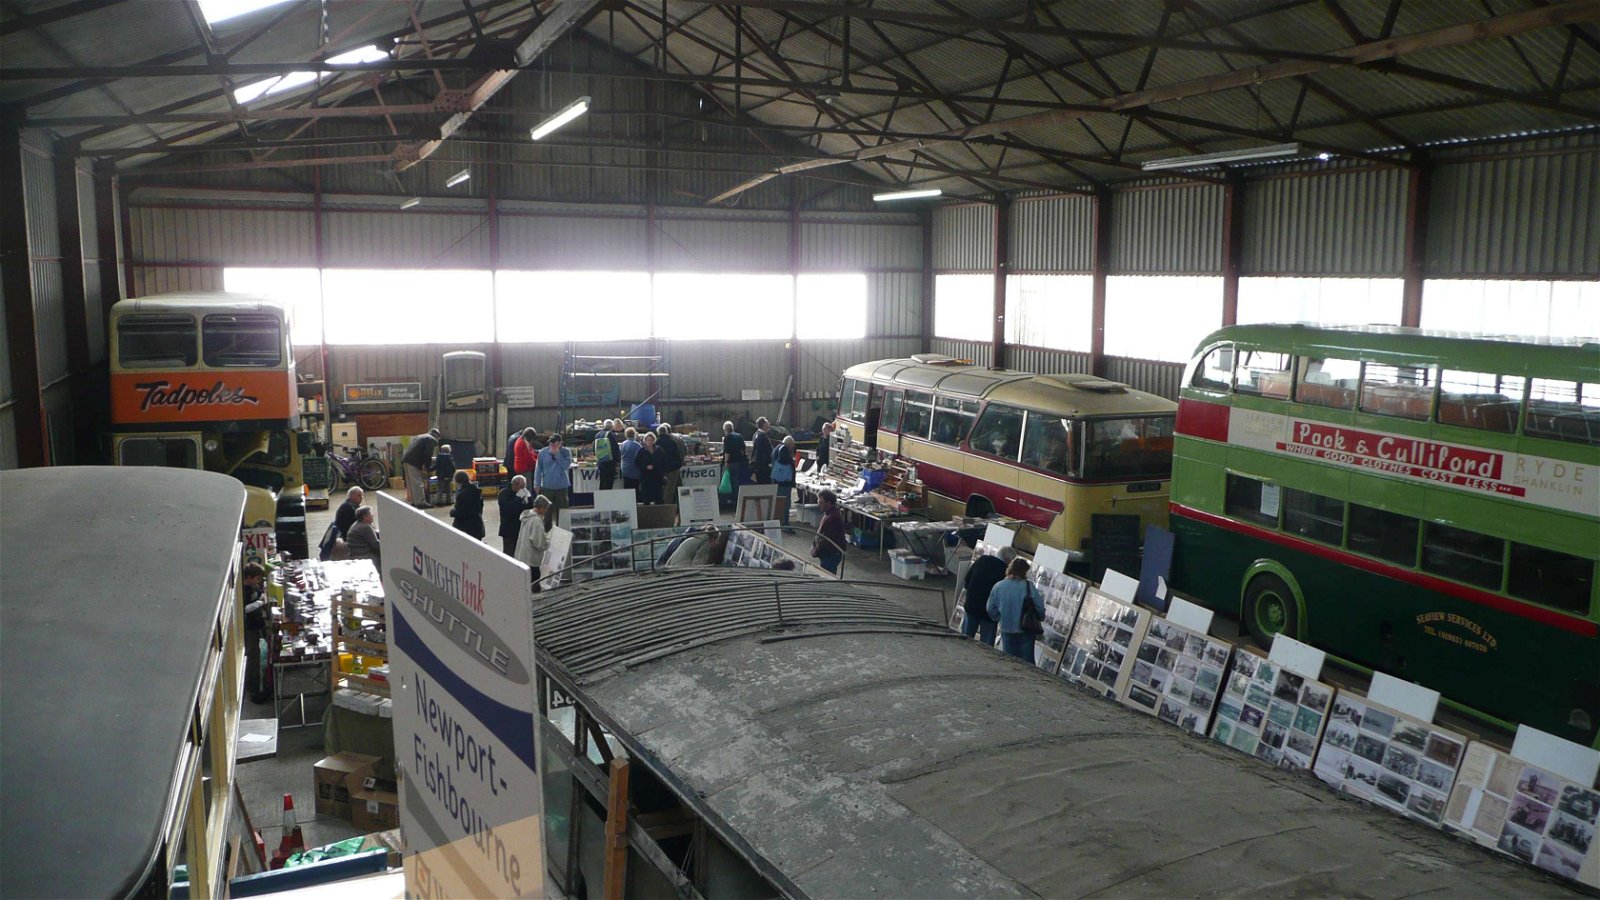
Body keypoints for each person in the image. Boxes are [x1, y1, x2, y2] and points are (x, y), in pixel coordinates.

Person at [987, 556, 1044, 664]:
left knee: (1009, 662)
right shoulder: (1028, 586)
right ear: (1024, 571)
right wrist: (1040, 617)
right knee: (1027, 664)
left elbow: (990, 608)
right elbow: (1040, 607)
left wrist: (999, 618)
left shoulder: (998, 586)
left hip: (1006, 629)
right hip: (1025, 630)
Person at [961, 545, 1013, 646]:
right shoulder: (1006, 572)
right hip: (989, 613)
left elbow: (967, 580)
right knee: (987, 647)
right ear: (1008, 559)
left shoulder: (982, 560)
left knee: (964, 640)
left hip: (972, 605)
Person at [241, 561, 271, 704]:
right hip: (250, 628)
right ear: (249, 577)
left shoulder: (253, 587)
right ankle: (254, 691)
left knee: (258, 656)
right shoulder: (243, 591)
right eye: (257, 578)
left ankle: (261, 684)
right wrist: (260, 603)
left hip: (257, 625)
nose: (258, 581)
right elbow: (244, 609)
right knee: (253, 658)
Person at [534, 434, 572, 528]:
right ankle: (547, 530)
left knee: (562, 511)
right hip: (547, 486)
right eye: (550, 443)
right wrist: (537, 483)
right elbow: (538, 469)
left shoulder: (566, 452)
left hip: (561, 486)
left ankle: (562, 530)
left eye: (554, 443)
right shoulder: (543, 452)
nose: (551, 445)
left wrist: (557, 454)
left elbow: (565, 466)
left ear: (559, 443)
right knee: (546, 512)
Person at [514, 495, 552, 590]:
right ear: (541, 507)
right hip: (531, 558)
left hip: (522, 555)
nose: (546, 511)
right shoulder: (536, 521)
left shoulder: (526, 516)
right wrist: (548, 543)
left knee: (524, 584)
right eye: (546, 508)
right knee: (534, 584)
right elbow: (538, 542)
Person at [401, 427, 441, 507]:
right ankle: (420, 502)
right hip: (413, 461)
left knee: (411, 483)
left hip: (406, 459)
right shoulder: (431, 439)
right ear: (436, 436)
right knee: (417, 482)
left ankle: (414, 501)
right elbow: (427, 455)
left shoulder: (420, 436)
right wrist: (428, 468)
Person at [813, 489, 846, 575]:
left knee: (826, 576)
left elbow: (827, 540)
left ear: (829, 503)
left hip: (831, 553)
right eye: (818, 502)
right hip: (828, 553)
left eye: (821, 502)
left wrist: (816, 550)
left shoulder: (833, 518)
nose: (818, 504)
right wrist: (814, 544)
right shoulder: (829, 514)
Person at [498, 474, 533, 556]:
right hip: (509, 530)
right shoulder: (504, 494)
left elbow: (531, 508)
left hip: (521, 529)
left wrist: (529, 498)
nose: (523, 489)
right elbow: (508, 510)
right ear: (515, 485)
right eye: (522, 487)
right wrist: (518, 498)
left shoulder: (523, 494)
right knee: (509, 554)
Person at [450, 470, 485, 540]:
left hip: (465, 528)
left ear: (457, 481)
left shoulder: (461, 495)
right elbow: (480, 508)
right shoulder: (476, 492)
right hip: (477, 526)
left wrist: (452, 512)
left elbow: (460, 512)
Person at [772, 435, 797, 526]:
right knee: (785, 502)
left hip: (777, 480)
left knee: (780, 501)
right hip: (784, 481)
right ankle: (784, 522)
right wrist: (791, 460)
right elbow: (784, 461)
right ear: (790, 444)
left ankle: (780, 521)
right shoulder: (784, 449)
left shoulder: (777, 448)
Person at [655, 424, 684, 499]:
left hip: (662, 469)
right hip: (673, 468)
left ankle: (664, 504)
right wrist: (679, 465)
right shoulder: (673, 442)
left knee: (663, 489)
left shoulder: (656, 443)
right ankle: (673, 503)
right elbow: (679, 454)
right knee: (672, 489)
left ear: (658, 433)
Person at [637, 432, 664, 504]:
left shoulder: (659, 449)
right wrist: (645, 467)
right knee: (646, 495)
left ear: (654, 440)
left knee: (658, 495)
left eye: (651, 440)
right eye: (648, 440)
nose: (649, 442)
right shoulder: (642, 450)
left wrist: (656, 467)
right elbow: (637, 462)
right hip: (646, 476)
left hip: (657, 475)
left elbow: (663, 461)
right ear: (645, 441)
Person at [721, 421, 747, 492]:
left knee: (730, 480)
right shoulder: (739, 436)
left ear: (725, 429)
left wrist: (726, 462)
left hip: (731, 462)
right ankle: (737, 495)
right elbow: (743, 450)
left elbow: (727, 451)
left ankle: (730, 496)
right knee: (737, 480)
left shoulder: (727, 437)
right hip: (739, 461)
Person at [618, 427, 643, 494]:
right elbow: (640, 457)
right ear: (634, 434)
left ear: (626, 434)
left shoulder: (623, 444)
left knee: (627, 487)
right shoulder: (637, 445)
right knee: (635, 488)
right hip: (634, 469)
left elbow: (619, 454)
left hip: (624, 468)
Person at [594, 420, 617, 490]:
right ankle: (607, 496)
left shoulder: (597, 434)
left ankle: (601, 496)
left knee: (602, 482)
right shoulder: (611, 434)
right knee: (609, 483)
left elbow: (594, 448)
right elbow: (615, 448)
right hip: (609, 462)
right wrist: (617, 460)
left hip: (600, 461)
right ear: (612, 427)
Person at [751, 416, 773, 484]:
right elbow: (764, 452)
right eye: (767, 422)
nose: (769, 424)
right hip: (763, 467)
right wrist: (769, 463)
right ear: (764, 425)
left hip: (757, 466)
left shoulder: (755, 435)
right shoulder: (762, 437)